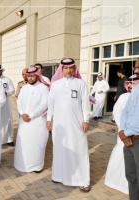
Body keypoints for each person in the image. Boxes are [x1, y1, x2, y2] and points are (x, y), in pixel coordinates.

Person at [47, 58, 91, 192]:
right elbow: (51, 104)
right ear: (61, 69)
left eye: (71, 68)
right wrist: (49, 119)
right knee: (60, 148)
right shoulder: (55, 84)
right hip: (59, 125)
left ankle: (83, 180)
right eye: (65, 68)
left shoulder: (81, 83)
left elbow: (85, 104)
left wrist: (86, 120)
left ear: (74, 69)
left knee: (80, 149)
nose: (68, 70)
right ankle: (59, 175)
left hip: (76, 123)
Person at [105, 76, 139, 194]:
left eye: (133, 83)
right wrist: (123, 130)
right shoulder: (123, 97)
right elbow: (118, 113)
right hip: (124, 134)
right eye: (128, 83)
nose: (130, 85)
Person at [14, 66, 49, 173]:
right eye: (28, 76)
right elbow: (19, 102)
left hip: (37, 121)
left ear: (37, 76)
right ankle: (22, 165)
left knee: (37, 144)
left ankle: (37, 166)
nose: (30, 78)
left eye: (33, 76)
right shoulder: (24, 88)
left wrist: (32, 115)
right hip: (24, 121)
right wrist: (22, 113)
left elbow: (44, 104)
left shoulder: (43, 88)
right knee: (24, 144)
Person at [119, 59, 139, 200]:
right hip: (129, 140)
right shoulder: (137, 89)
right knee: (131, 177)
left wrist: (125, 133)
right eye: (136, 67)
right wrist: (123, 131)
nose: (136, 70)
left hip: (136, 140)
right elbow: (126, 112)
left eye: (138, 67)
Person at [0, 64, 15, 146]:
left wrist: (5, 92)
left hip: (5, 104)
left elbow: (12, 90)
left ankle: (10, 139)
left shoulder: (7, 79)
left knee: (8, 120)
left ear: (2, 71)